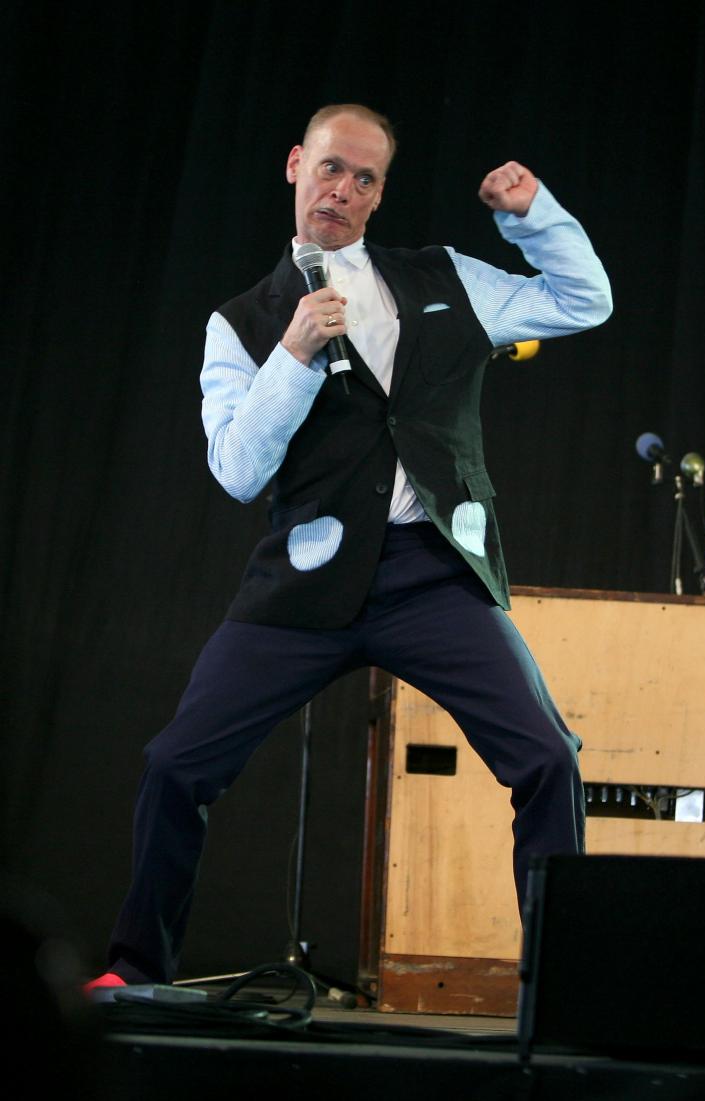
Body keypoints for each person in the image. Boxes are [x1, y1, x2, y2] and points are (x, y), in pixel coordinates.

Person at [86, 103, 612, 990]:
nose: (344, 189)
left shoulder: (446, 276)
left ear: (378, 197)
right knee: (177, 765)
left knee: (548, 757)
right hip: (305, 583)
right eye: (332, 168)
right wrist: (293, 352)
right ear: (296, 166)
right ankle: (135, 968)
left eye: (365, 179)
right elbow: (238, 471)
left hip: (430, 573)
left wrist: (532, 217)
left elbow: (583, 301)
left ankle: (565, 989)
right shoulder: (243, 322)